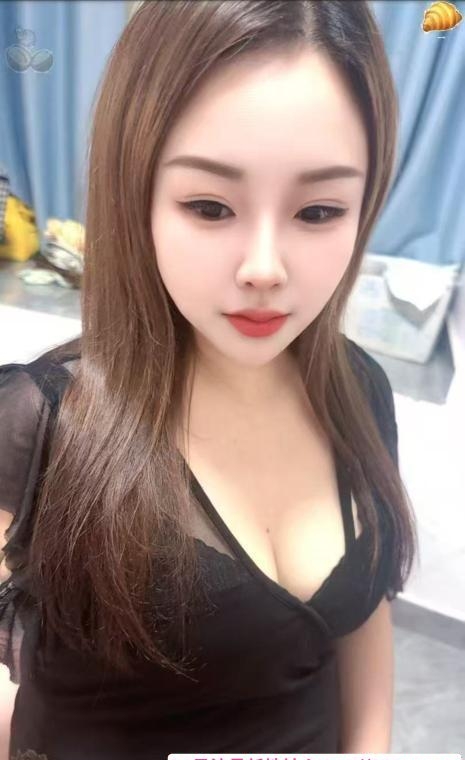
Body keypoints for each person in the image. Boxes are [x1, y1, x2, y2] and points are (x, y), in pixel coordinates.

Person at [0, 1, 418, 758]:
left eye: (319, 211)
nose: (264, 268)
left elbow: (362, 620)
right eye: (209, 206)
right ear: (136, 195)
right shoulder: (40, 423)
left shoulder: (357, 391)